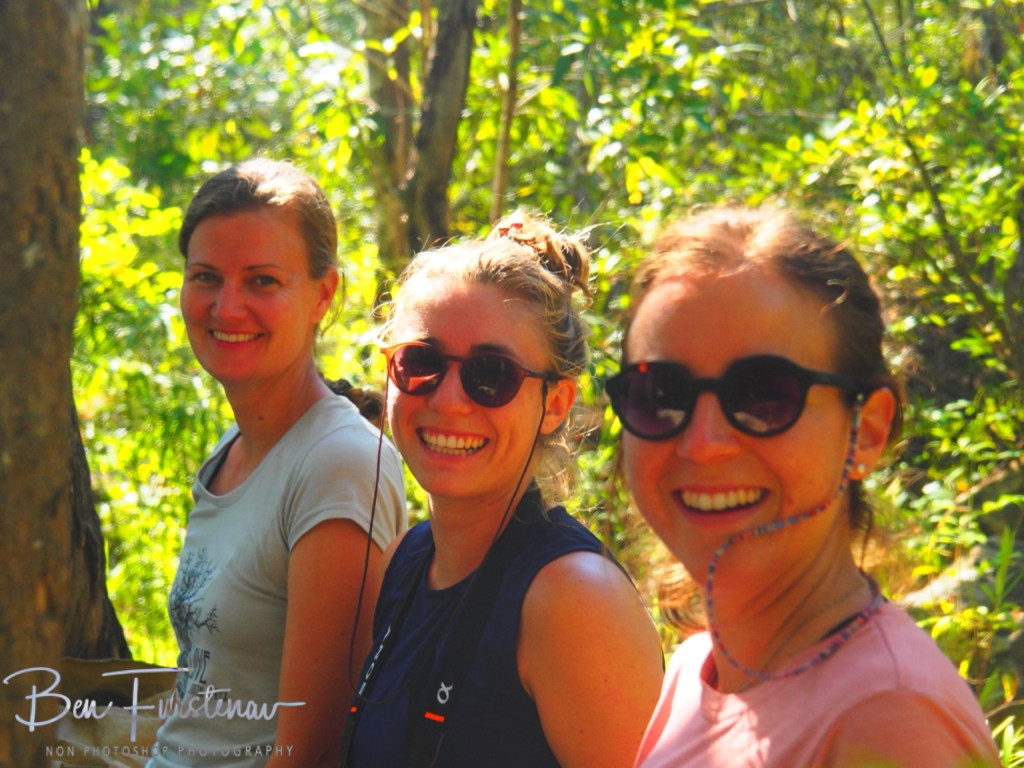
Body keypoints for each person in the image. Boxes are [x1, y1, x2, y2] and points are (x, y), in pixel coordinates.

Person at [606, 205, 1001, 768]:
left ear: (865, 431)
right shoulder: (697, 672)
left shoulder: (889, 719)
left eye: (764, 395)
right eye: (661, 394)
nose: (702, 443)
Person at [341, 213, 665, 767]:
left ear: (556, 404)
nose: (448, 400)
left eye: (491, 374)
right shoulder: (407, 559)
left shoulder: (574, 599)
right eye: (420, 362)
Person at [148, 159, 407, 767]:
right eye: (206, 276)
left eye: (262, 281)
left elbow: (310, 749)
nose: (227, 307)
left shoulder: (338, 465)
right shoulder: (231, 451)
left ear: (323, 295)